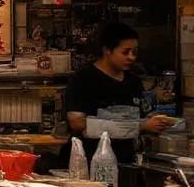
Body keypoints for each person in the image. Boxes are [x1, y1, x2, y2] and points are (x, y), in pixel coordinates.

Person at [64, 21, 175, 162]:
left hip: (126, 159)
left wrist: (158, 120)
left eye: (135, 52)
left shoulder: (134, 82)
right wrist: (140, 125)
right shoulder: (83, 79)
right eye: (125, 52)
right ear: (107, 50)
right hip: (90, 160)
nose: (131, 57)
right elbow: (78, 124)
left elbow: (143, 113)